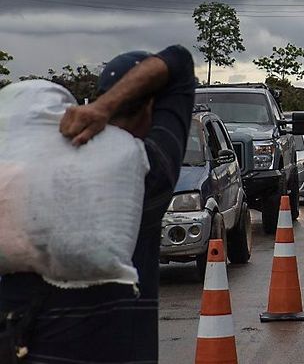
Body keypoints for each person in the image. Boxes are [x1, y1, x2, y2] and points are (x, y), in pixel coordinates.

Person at [0, 46, 195, 363]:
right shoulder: (147, 172)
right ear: (150, 108)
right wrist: (105, 108)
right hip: (108, 345)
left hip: (19, 339)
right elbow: (180, 63)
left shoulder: (28, 167)